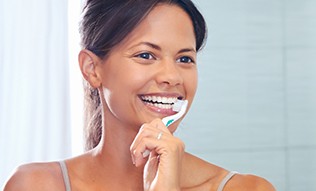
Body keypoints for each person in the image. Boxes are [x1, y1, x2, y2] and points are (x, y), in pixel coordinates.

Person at [4, 0, 276, 190]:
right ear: (92, 69)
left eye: (185, 59)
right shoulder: (36, 185)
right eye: (146, 55)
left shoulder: (247, 189)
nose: (171, 76)